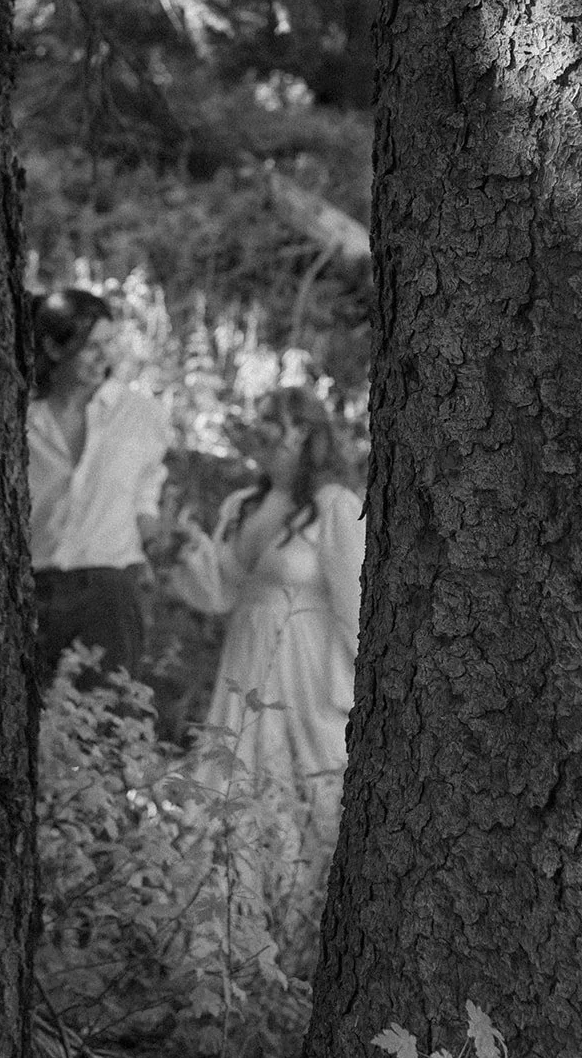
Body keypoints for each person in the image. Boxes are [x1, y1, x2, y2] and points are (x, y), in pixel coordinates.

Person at [168, 385, 365, 899]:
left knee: (304, 782)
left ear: (301, 432)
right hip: (246, 661)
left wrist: (362, 691)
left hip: (306, 670)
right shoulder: (242, 504)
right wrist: (188, 551)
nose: (256, 430)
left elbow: (356, 605)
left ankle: (306, 924)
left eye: (269, 420)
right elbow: (221, 595)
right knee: (233, 774)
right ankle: (230, 916)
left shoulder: (336, 507)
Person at [28, 287, 172, 686]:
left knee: (105, 726)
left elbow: (147, 487)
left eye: (109, 343)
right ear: (54, 350)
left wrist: (152, 539)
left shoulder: (140, 416)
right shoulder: (22, 419)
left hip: (107, 594)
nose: (104, 356)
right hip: (31, 590)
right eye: (90, 346)